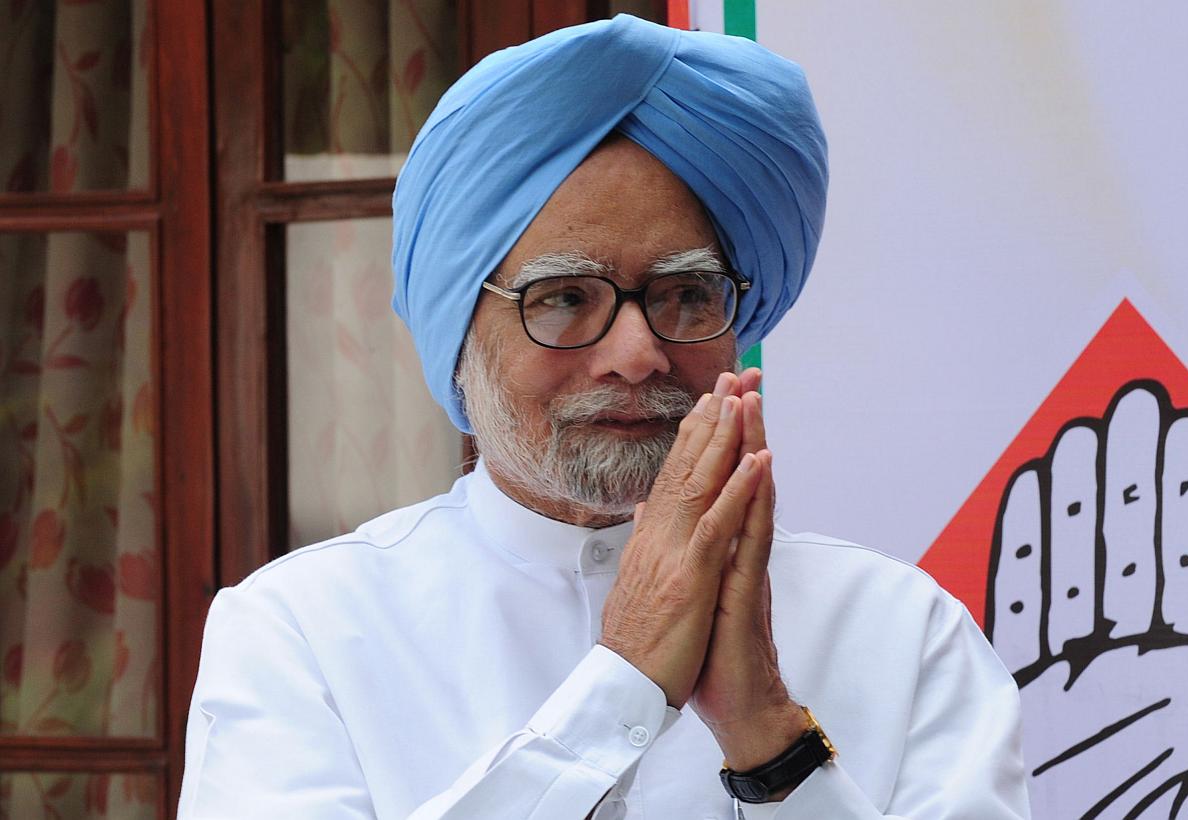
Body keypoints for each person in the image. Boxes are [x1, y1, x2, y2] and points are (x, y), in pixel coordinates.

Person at [179, 15, 1028, 819]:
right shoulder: (305, 631)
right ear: (459, 329)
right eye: (566, 298)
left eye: (686, 294)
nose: (636, 354)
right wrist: (621, 683)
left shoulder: (899, 627)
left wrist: (771, 740)